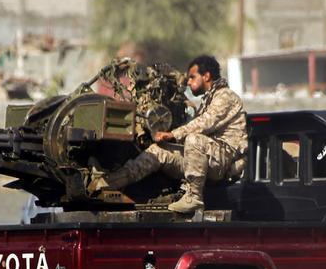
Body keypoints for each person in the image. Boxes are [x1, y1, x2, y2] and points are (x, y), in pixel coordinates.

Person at [88, 54, 247, 215]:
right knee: (158, 151)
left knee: (194, 139)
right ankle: (109, 182)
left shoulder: (226, 96)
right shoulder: (207, 100)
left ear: (206, 76)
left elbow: (205, 123)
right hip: (206, 157)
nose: (189, 82)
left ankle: (194, 198)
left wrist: (172, 134)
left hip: (223, 160)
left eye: (192, 77)